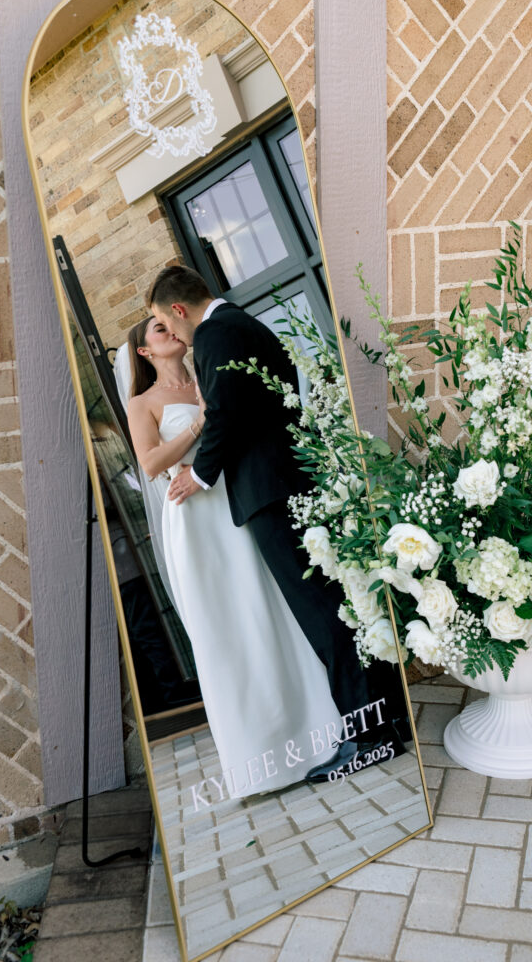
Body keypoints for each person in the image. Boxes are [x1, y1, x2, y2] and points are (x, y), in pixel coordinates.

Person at [147, 265, 407, 781]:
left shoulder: (217, 334)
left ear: (179, 309)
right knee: (340, 603)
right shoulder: (242, 324)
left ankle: (372, 736)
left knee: (324, 615)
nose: (173, 335)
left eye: (165, 323)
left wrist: (198, 476)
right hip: (288, 482)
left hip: (270, 491)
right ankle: (386, 715)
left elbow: (226, 413)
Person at [125, 315, 343, 797]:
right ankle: (258, 759)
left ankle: (321, 732)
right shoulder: (143, 403)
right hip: (196, 518)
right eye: (158, 331)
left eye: (168, 324)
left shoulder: (209, 372)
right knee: (229, 624)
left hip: (239, 500)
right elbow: (151, 463)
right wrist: (200, 423)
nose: (170, 332)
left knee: (273, 608)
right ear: (145, 353)